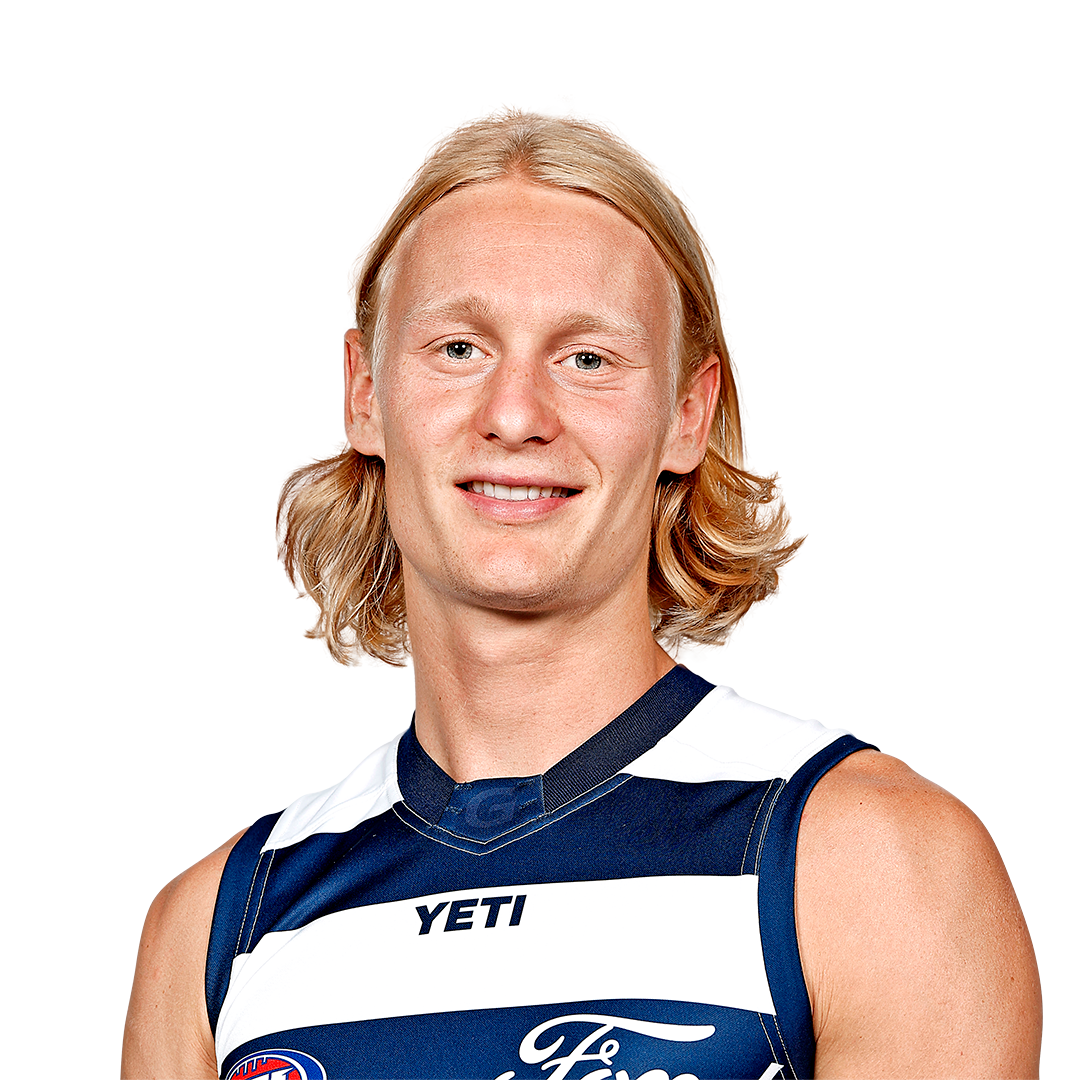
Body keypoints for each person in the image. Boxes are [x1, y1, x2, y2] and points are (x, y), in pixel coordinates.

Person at [121, 96, 1041, 1080]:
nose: (516, 414)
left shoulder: (873, 864)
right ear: (365, 394)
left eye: (588, 358)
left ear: (688, 416)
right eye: (459, 348)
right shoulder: (216, 927)